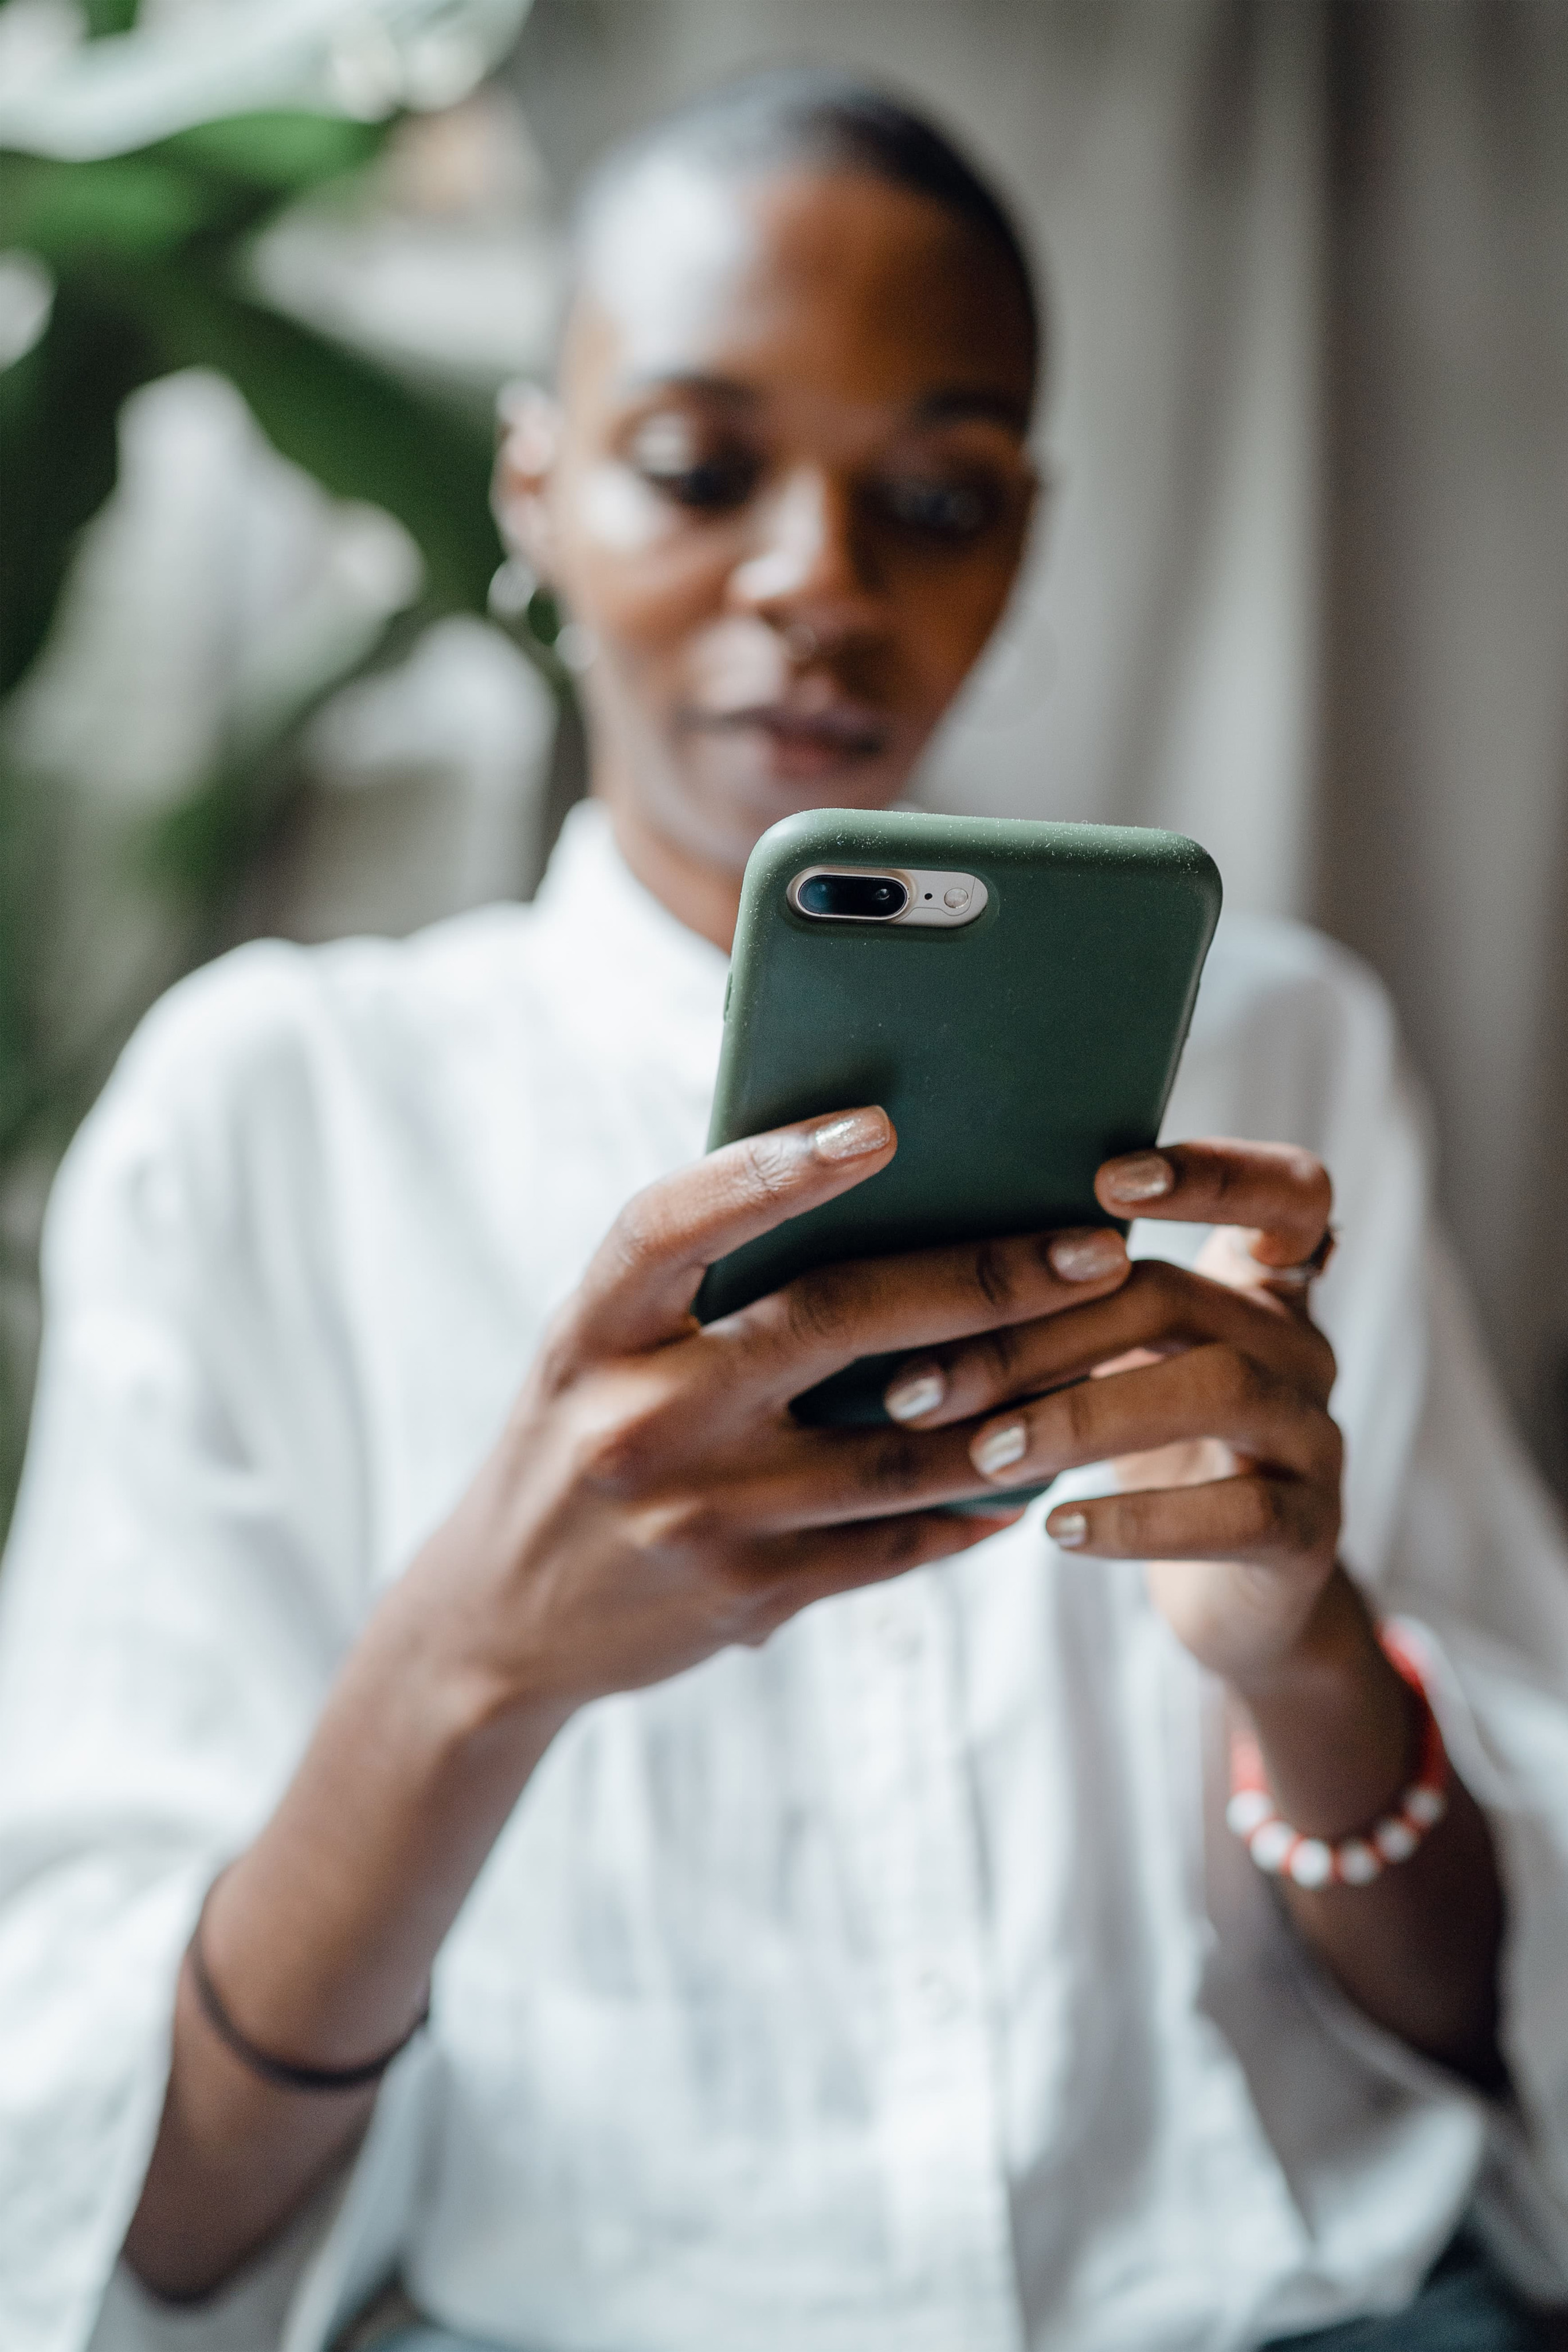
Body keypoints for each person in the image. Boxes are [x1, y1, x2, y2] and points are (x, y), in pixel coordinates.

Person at [1, 68, 1566, 2352]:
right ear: (535, 487)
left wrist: (1305, 1659)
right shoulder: (274, 1118)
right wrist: (474, 1664)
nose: (819, 577)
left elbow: (1483, 2036)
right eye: (703, 466)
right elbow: (114, 2220)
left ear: (1021, 540)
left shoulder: (1279, 1064)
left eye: (932, 494)